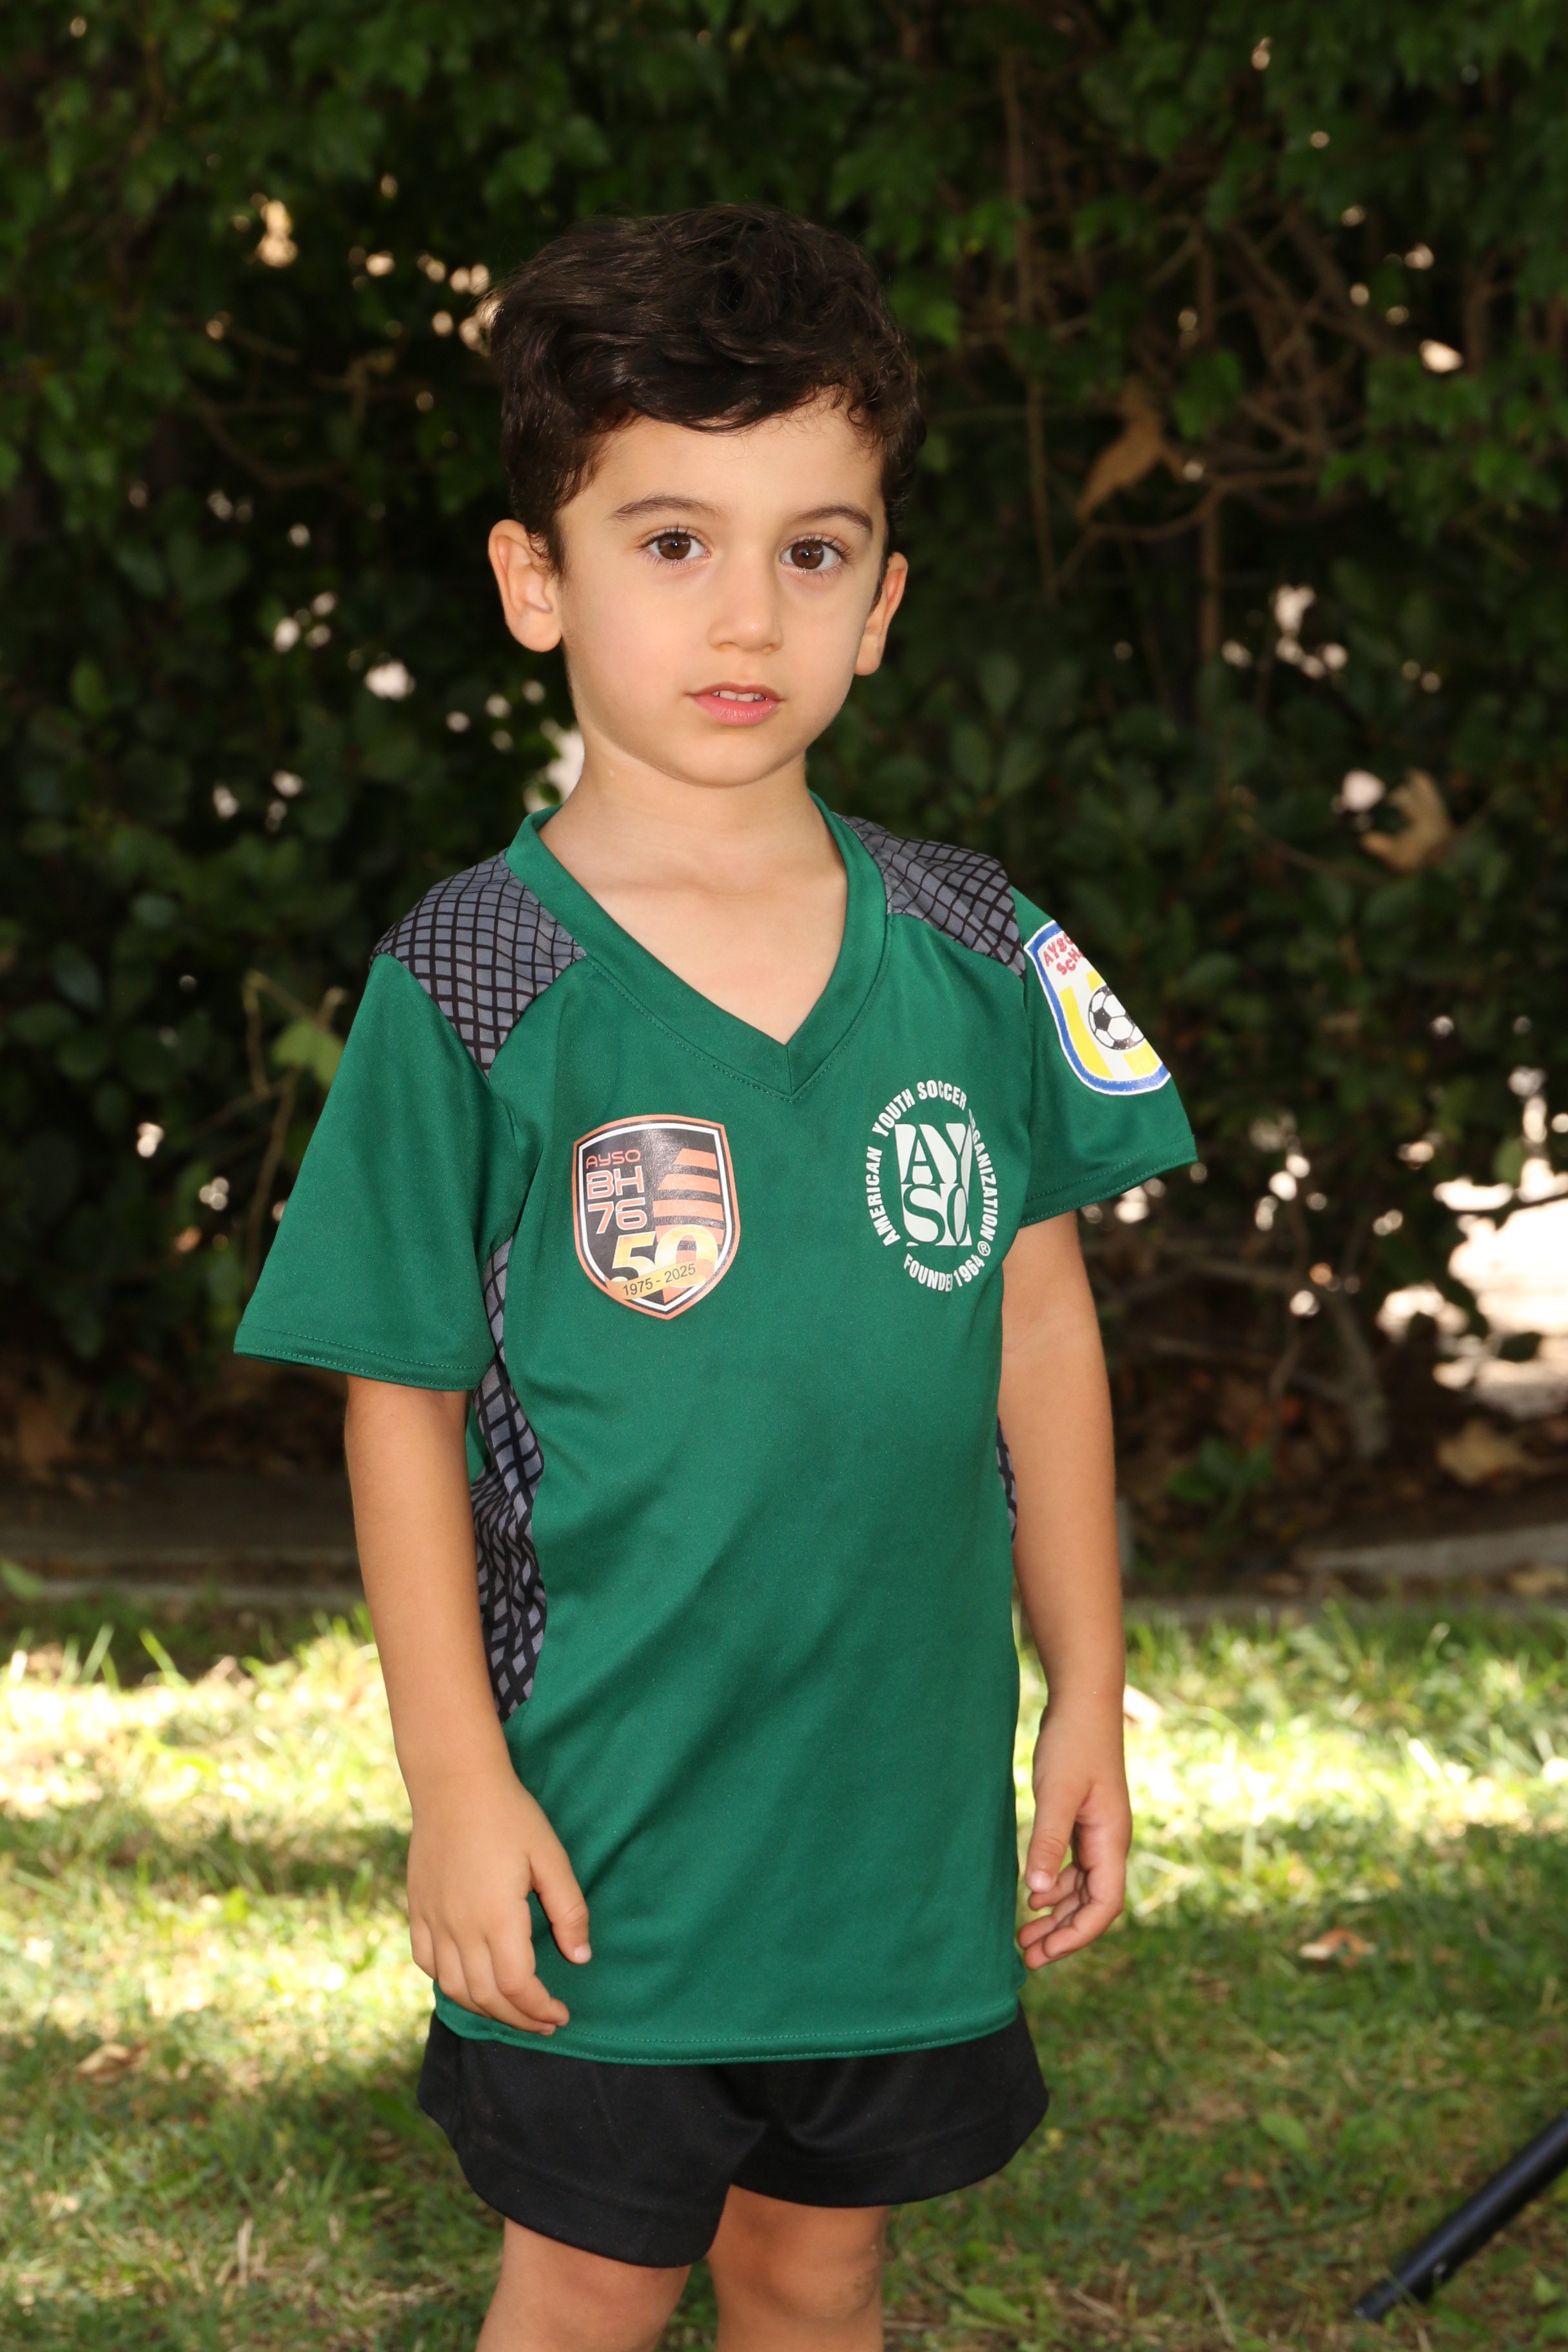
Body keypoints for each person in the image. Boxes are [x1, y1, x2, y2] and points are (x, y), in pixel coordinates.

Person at [235, 205, 1194, 2352]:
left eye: (812, 550)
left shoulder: (978, 947)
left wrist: (1086, 1690)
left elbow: (1043, 1329)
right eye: (672, 542)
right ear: (536, 582)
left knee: (815, 2269)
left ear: (885, 601)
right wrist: (457, 1787)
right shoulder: (472, 981)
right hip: (611, 1825)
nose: (748, 610)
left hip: (887, 1830)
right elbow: (397, 1403)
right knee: (588, 2285)